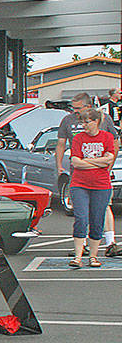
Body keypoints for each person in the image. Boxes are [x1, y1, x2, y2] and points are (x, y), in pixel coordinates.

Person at [57, 93, 119, 256]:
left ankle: (110, 242)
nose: (75, 112)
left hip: (100, 175)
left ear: (88, 106)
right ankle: (81, 245)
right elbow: (61, 143)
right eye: (73, 108)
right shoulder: (68, 121)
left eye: (78, 108)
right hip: (79, 172)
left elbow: (114, 143)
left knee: (104, 207)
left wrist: (109, 165)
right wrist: (59, 165)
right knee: (81, 212)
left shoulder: (104, 119)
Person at [66, 108, 116, 268]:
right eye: (82, 122)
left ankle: (93, 256)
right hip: (79, 184)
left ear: (96, 122)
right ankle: (78, 256)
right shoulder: (78, 138)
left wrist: (87, 162)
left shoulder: (107, 137)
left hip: (101, 185)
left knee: (97, 220)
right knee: (81, 218)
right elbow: (75, 162)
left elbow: (109, 160)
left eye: (87, 122)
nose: (84, 125)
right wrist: (98, 161)